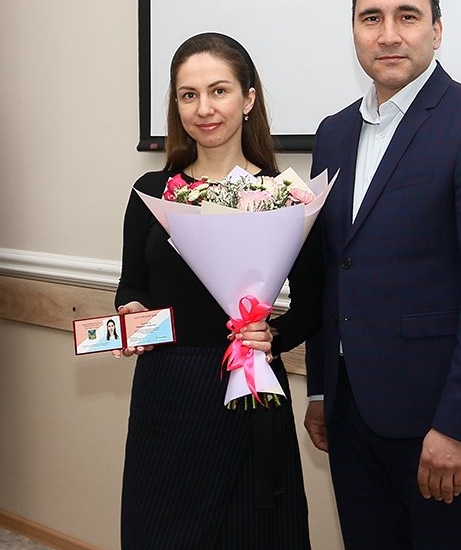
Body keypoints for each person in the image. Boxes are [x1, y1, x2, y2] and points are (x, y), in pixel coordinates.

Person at [302, 0, 461, 549]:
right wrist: (322, 390)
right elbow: (332, 269)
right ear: (353, 31)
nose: (388, 34)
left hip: (439, 422)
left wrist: (458, 426)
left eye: (407, 17)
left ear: (436, 30)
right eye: (371, 18)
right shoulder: (333, 134)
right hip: (351, 414)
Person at [115, 32, 322, 549]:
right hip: (168, 390)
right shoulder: (151, 192)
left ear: (248, 99)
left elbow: (313, 305)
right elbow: (132, 284)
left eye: (219, 91)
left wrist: (272, 337)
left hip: (251, 387)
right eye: (189, 95)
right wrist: (131, 310)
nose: (203, 108)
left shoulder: (286, 197)